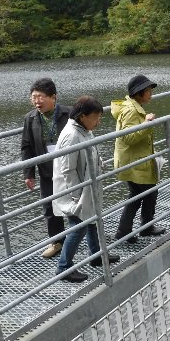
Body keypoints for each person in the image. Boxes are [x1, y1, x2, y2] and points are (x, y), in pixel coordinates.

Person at [52, 96, 119, 282]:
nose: (98, 122)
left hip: (86, 186)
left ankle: (96, 256)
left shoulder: (83, 129)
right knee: (79, 227)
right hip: (76, 191)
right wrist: (76, 195)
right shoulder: (71, 135)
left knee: (91, 221)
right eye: (96, 118)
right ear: (83, 116)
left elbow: (91, 151)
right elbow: (67, 169)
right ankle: (63, 268)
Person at [112, 75, 165, 244]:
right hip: (132, 162)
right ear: (138, 93)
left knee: (147, 191)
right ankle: (126, 230)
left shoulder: (135, 107)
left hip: (136, 160)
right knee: (141, 193)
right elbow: (127, 138)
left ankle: (141, 227)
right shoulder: (131, 110)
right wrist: (146, 124)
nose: (150, 93)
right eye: (148, 91)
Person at [21, 78, 71, 258]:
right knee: (49, 208)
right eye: (33, 97)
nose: (36, 101)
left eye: (40, 97)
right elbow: (26, 146)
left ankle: (86, 237)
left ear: (54, 97)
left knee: (79, 203)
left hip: (70, 168)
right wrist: (29, 173)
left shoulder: (69, 113)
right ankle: (57, 242)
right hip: (47, 170)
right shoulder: (30, 118)